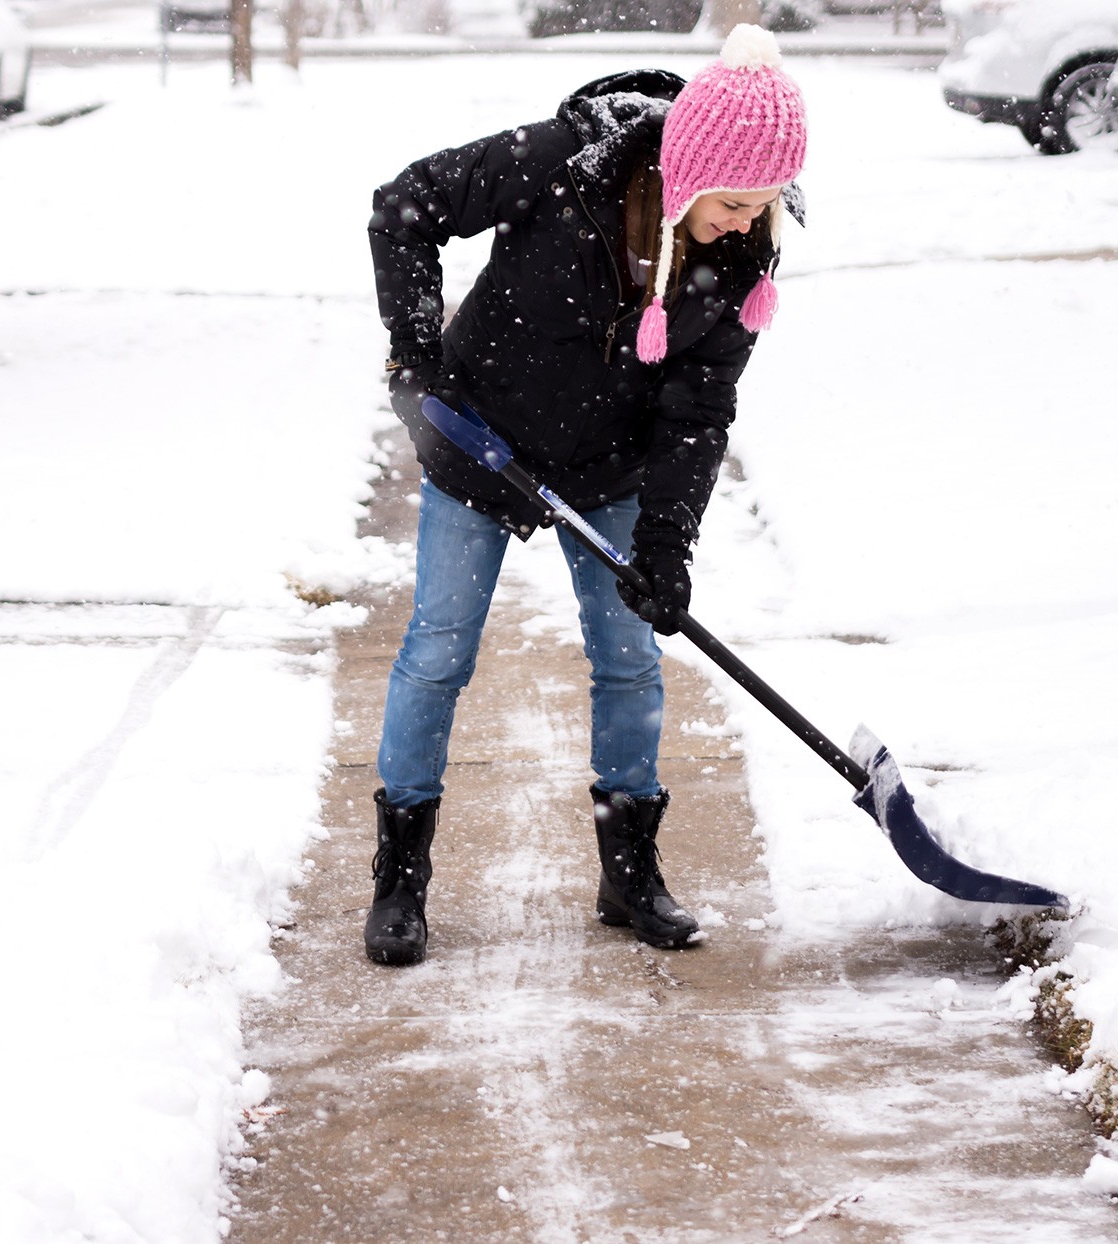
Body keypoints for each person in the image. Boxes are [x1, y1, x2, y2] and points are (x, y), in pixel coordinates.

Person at [363, 25, 808, 966]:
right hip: (479, 443)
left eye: (765, 206)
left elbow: (698, 412)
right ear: (686, 173)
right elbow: (406, 204)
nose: (744, 222)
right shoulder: (559, 164)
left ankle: (630, 872)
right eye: (732, 202)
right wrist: (414, 350)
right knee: (438, 653)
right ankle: (399, 879)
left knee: (628, 657)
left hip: (611, 468)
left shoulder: (739, 260)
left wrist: (667, 547)